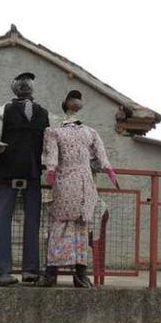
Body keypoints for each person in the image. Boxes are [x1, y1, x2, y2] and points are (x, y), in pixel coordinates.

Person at [36, 90, 119, 287]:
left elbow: (52, 159)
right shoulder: (88, 132)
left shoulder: (56, 132)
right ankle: (78, 274)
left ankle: (54, 273)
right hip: (81, 184)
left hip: (69, 183)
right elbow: (101, 157)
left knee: (63, 226)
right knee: (78, 227)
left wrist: (51, 172)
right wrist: (109, 171)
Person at [0, 72, 51, 286]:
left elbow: (50, 141)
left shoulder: (44, 113)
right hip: (7, 171)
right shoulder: (4, 110)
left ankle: (30, 270)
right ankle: (2, 271)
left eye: (28, 82)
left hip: (33, 174)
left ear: (33, 87)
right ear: (15, 88)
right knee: (2, 221)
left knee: (33, 222)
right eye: (21, 83)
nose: (25, 86)